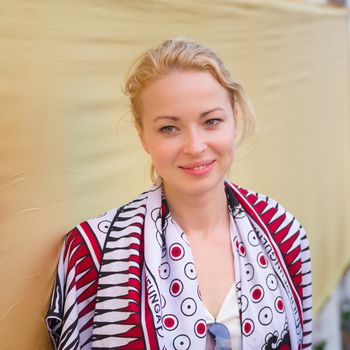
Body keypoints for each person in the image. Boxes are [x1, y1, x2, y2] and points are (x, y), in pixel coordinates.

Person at [46, 38, 312, 350]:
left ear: (234, 119)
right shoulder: (94, 253)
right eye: (169, 128)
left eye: (211, 121)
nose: (195, 146)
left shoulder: (284, 233)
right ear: (142, 134)